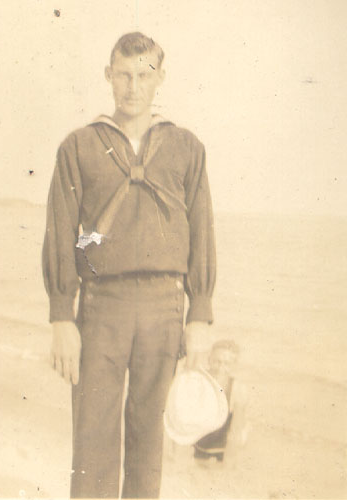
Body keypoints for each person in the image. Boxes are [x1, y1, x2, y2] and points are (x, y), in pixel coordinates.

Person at [42, 32, 216, 499]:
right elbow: (63, 234)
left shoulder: (186, 147)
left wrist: (199, 314)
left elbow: (201, 232)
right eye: (123, 74)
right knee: (92, 444)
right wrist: (62, 314)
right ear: (108, 75)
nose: (133, 86)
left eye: (143, 75)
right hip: (101, 308)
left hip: (164, 309)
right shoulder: (78, 147)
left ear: (160, 78)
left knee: (148, 445)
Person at [194, 340, 249, 466]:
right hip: (198, 446)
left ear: (234, 365)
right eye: (216, 362)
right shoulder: (197, 382)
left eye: (227, 363)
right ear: (209, 360)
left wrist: (229, 463)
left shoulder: (238, 389)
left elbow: (236, 430)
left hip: (222, 448)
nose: (220, 368)